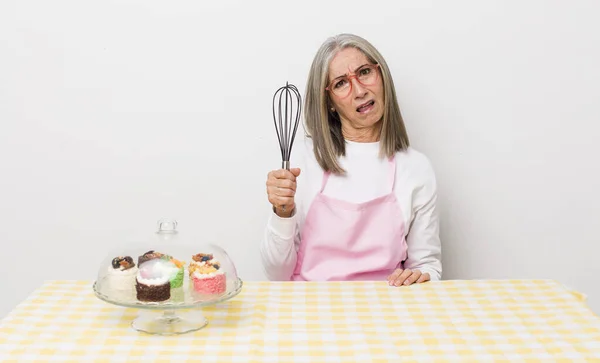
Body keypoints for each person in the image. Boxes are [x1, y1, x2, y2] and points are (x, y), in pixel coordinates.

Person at [260, 33, 442, 287]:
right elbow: (276, 274)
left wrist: (420, 276)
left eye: (365, 72)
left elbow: (426, 266)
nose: (359, 90)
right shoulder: (303, 161)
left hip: (385, 309)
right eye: (341, 84)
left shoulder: (415, 168)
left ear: (382, 76)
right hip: (310, 309)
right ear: (330, 103)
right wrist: (282, 212)